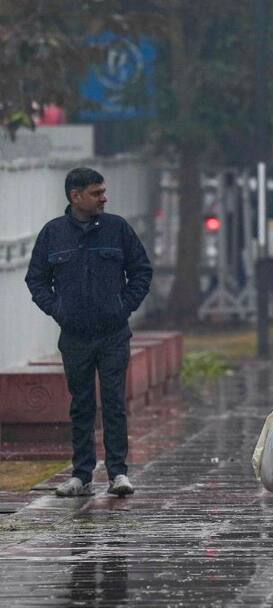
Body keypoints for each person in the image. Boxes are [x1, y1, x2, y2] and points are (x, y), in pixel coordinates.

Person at [25, 167, 153, 498]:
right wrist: (58, 310)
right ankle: (81, 475)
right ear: (76, 196)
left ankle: (118, 472)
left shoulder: (117, 229)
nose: (103, 198)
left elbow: (141, 271)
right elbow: (36, 279)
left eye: (103, 191)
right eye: (96, 193)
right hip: (75, 336)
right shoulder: (53, 233)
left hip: (113, 333)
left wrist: (123, 307)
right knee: (81, 404)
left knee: (114, 402)